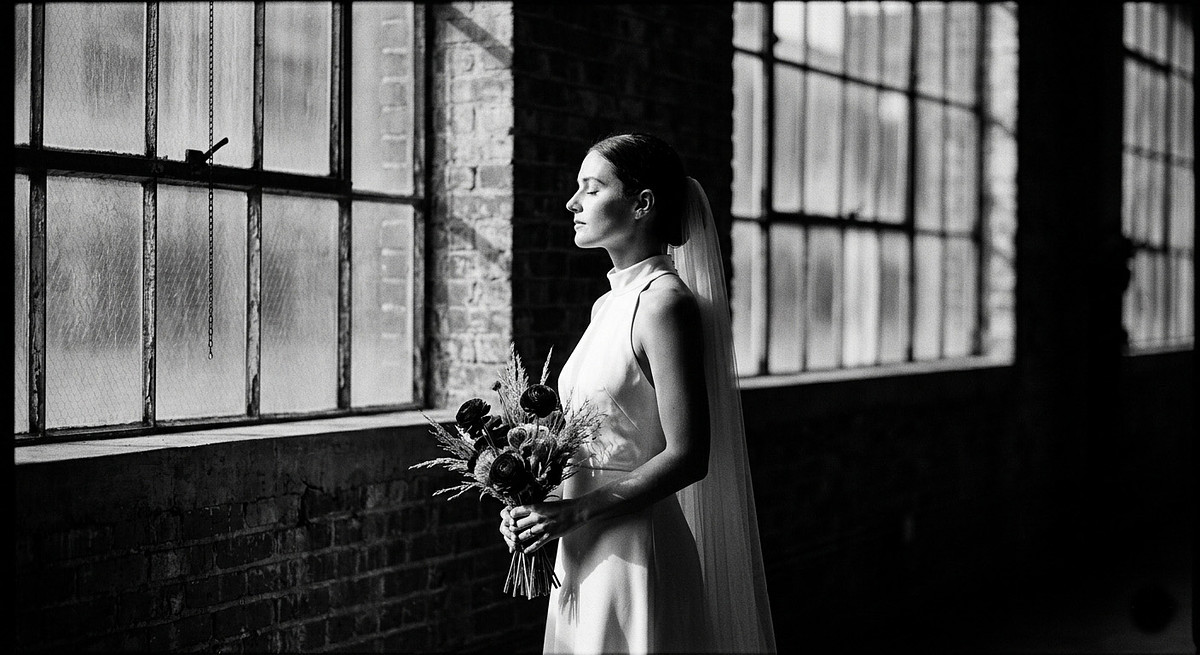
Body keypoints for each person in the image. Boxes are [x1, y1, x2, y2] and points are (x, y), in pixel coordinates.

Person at [499, 133, 776, 654]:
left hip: (635, 548)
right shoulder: (608, 306)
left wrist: (578, 511)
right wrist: (533, 500)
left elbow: (689, 456)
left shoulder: (664, 305)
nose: (572, 203)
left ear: (641, 203)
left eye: (592, 188)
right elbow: (595, 435)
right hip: (579, 545)